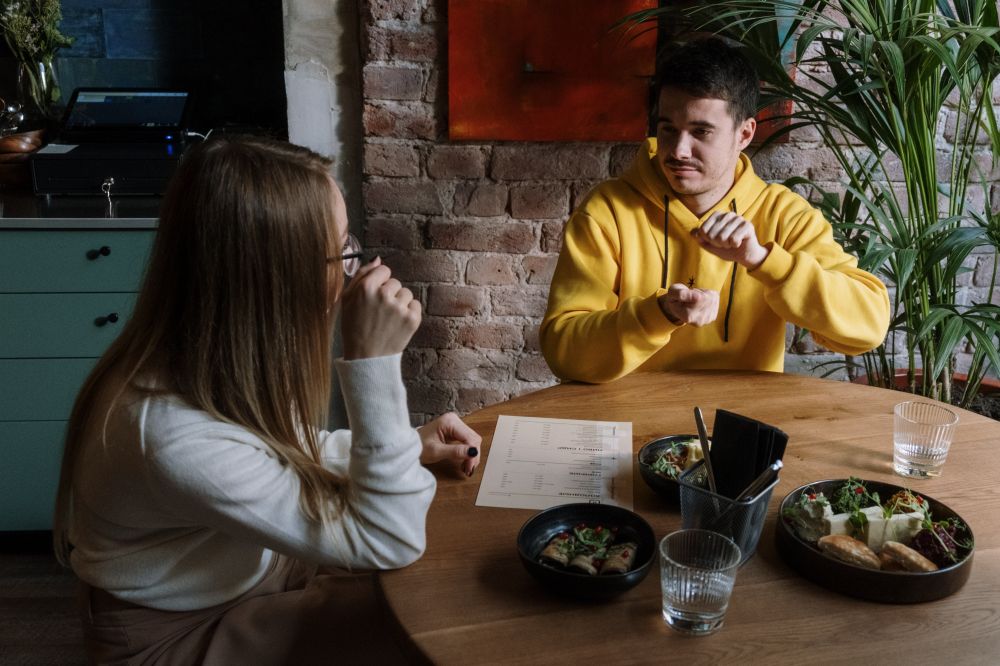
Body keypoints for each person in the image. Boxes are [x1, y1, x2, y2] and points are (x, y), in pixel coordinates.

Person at [52, 136, 481, 664]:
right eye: (345, 251)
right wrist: (372, 363)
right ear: (276, 279)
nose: (356, 268)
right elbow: (390, 538)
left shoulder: (203, 357)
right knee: (430, 625)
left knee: (436, 580)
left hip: (241, 578)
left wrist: (408, 445)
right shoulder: (167, 435)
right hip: (178, 633)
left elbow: (274, 453)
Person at [539, 37, 890, 383]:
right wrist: (659, 314)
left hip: (742, 425)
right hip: (633, 421)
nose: (678, 150)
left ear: (745, 133)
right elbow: (564, 353)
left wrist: (764, 261)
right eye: (668, 129)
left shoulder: (784, 215)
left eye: (701, 132)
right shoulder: (608, 211)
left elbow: (868, 327)